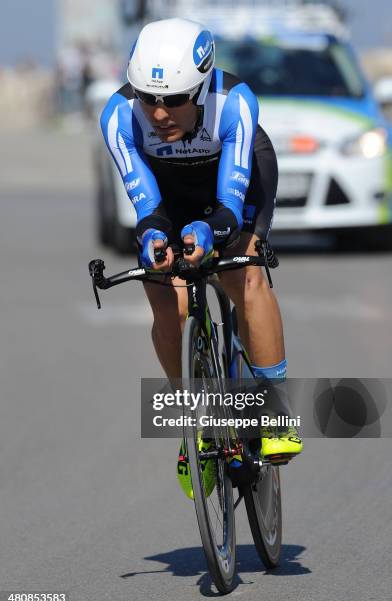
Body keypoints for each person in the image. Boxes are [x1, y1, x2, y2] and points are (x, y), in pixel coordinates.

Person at [100, 18, 303, 498]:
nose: (158, 113)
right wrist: (154, 234)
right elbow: (147, 208)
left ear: (203, 85)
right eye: (148, 97)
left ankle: (274, 408)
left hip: (235, 183)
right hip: (170, 194)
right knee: (160, 284)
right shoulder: (117, 116)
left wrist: (213, 230)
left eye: (174, 99)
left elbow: (231, 208)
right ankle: (197, 420)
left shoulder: (234, 103)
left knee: (244, 275)